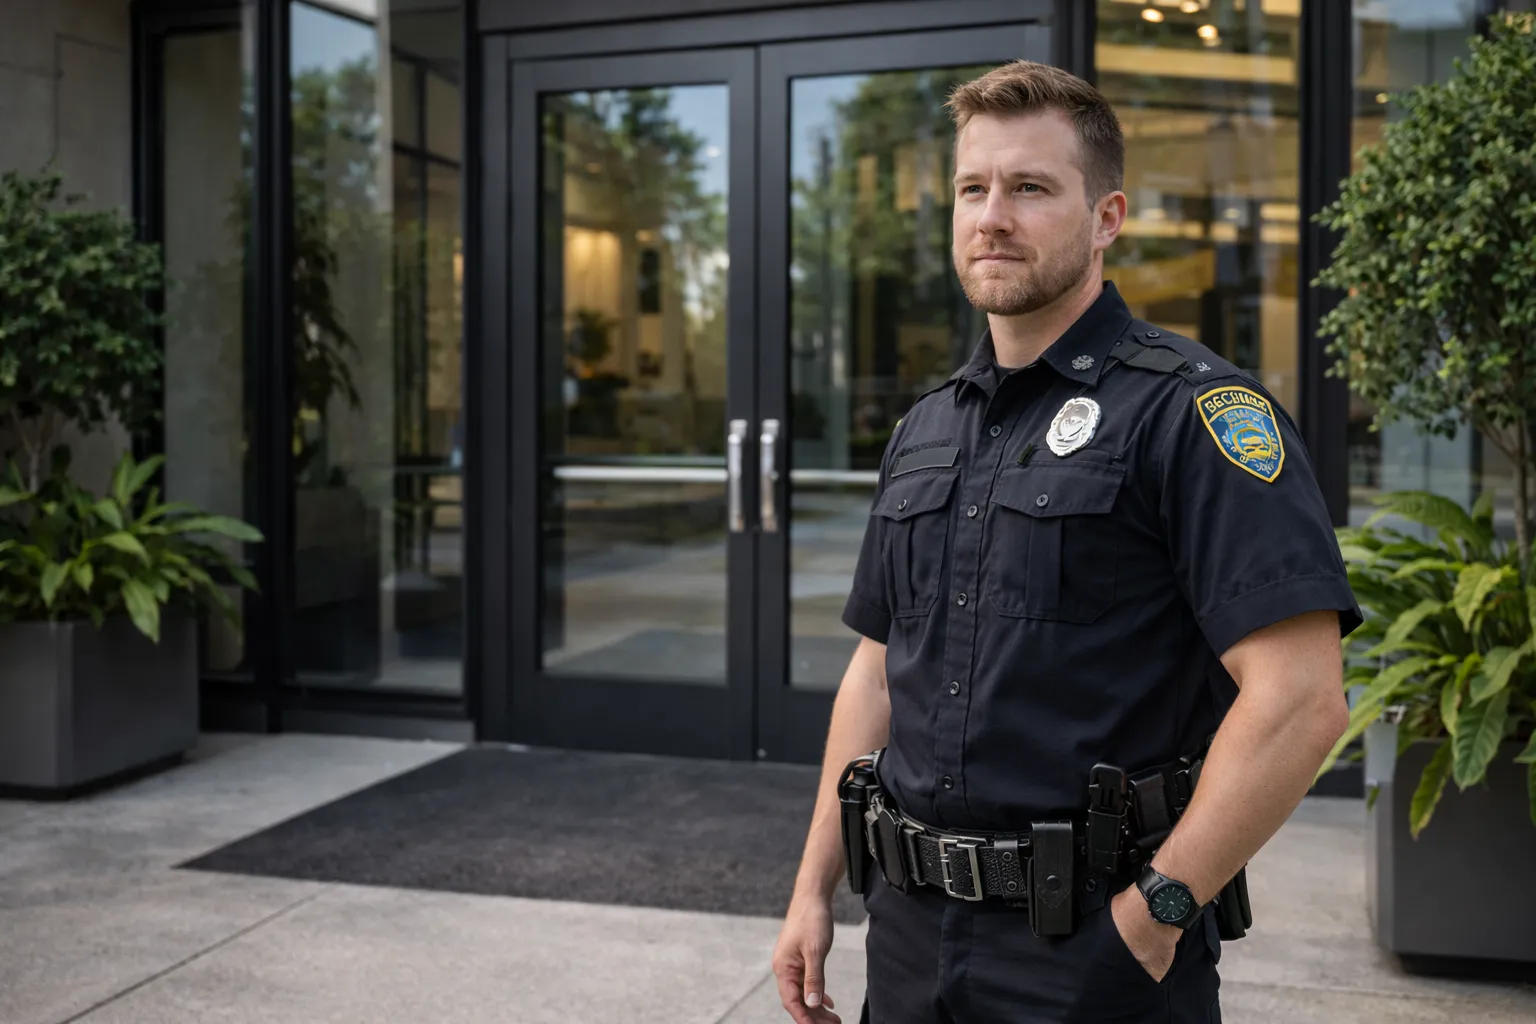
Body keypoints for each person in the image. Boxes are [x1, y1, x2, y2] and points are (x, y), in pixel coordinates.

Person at [770, 60, 1361, 1024]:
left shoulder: (1195, 412)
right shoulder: (928, 427)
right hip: (911, 940)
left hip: (1094, 954)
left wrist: (1156, 913)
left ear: (1107, 217)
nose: (992, 216)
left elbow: (1301, 700)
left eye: (1031, 188)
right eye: (973, 188)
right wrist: (810, 890)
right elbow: (877, 672)